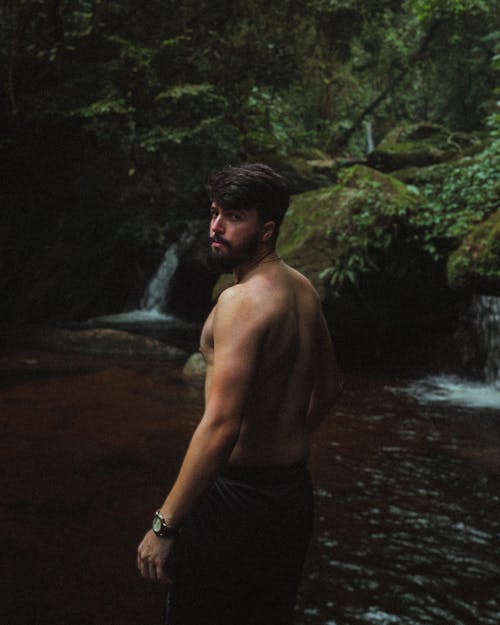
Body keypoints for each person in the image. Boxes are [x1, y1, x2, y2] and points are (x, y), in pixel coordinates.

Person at [137, 163, 341, 625]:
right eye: (214, 212)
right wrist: (283, 435)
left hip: (236, 502)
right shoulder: (302, 288)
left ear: (266, 230)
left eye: (234, 216)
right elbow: (330, 388)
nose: (216, 226)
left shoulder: (241, 302)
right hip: (289, 496)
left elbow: (221, 424)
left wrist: (163, 524)